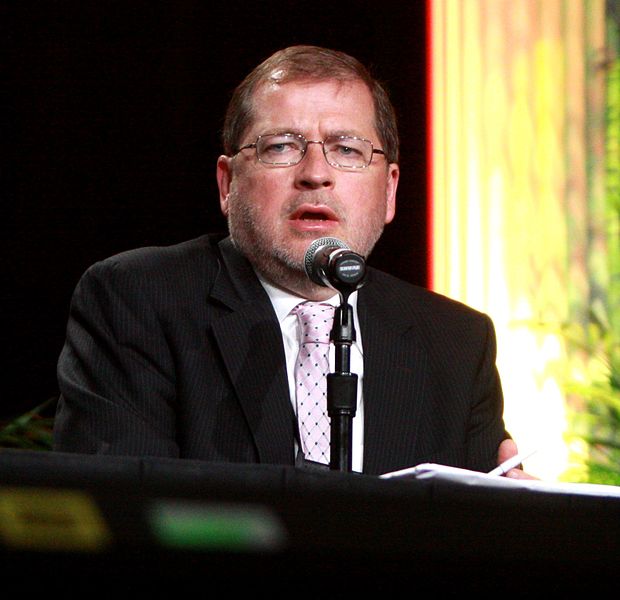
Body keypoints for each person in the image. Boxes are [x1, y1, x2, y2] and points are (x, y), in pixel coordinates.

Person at [53, 45, 529, 477]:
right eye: (281, 146)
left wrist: (522, 520)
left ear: (389, 190)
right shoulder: (140, 300)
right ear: (227, 184)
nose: (316, 173)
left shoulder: (456, 343)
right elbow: (128, 513)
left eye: (347, 149)